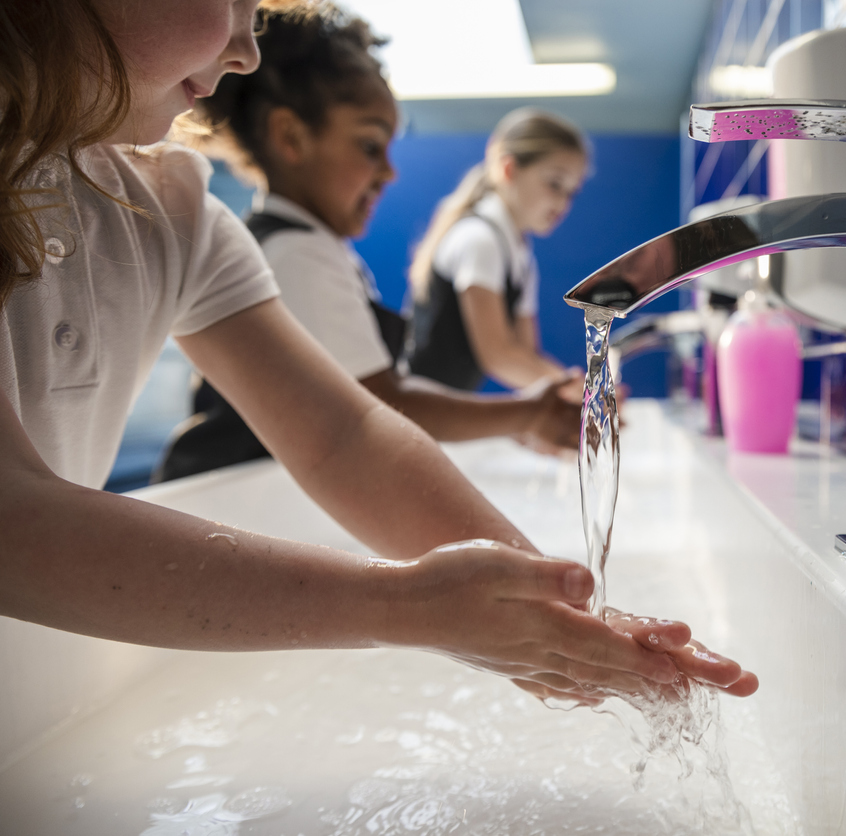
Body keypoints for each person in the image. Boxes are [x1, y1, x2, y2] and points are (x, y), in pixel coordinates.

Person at [0, 0, 757, 706]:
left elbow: (346, 434)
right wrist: (406, 605)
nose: (244, 49)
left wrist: (548, 603)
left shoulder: (174, 206)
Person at [152, 6, 580, 482]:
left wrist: (524, 417)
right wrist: (525, 414)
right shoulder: (296, 254)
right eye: (370, 147)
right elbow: (382, 405)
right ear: (290, 136)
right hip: (229, 497)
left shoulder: (311, 245)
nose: (389, 172)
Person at [405, 108, 586, 395]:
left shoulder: (520, 254)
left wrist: (564, 400)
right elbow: (499, 356)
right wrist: (583, 391)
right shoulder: (479, 240)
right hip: (415, 412)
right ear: (508, 169)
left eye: (572, 192)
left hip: (449, 413)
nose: (563, 203)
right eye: (555, 184)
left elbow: (526, 357)